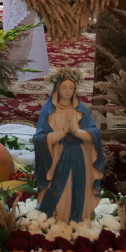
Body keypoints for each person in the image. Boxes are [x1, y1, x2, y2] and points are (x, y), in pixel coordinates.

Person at [33, 68, 104, 223]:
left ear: (76, 89)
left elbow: (93, 134)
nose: (67, 91)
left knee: (77, 187)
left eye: (71, 88)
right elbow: (39, 139)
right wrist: (63, 132)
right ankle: (54, 217)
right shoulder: (48, 109)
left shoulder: (80, 109)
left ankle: (77, 218)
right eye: (64, 87)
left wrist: (76, 132)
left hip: (79, 155)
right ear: (57, 88)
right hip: (58, 156)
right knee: (58, 187)